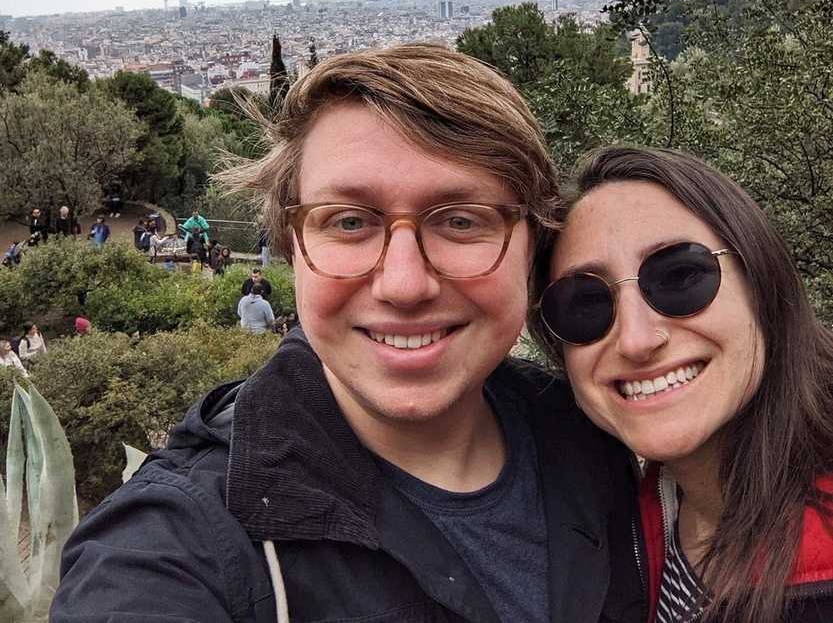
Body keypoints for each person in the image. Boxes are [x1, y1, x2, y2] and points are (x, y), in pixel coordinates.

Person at [52, 44, 644, 622]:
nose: (405, 285)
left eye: (462, 220)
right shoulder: (175, 544)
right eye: (351, 222)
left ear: (533, 247)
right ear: (293, 248)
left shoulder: (600, 438)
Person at [532, 145, 833, 623]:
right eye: (584, 302)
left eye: (679, 276)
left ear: (761, 283)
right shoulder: (639, 513)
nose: (635, 339)